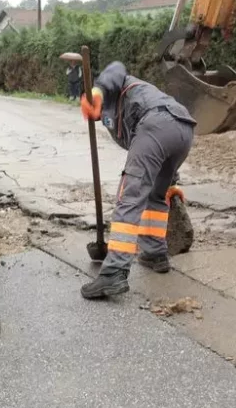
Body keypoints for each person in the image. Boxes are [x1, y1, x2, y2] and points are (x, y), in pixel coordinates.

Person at [78, 61, 196, 299]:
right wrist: (171, 182)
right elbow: (157, 146)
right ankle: (154, 252)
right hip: (184, 130)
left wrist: (97, 90)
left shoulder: (117, 83)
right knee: (156, 193)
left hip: (157, 122)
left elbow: (117, 68)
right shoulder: (114, 112)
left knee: (129, 195)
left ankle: (114, 272)